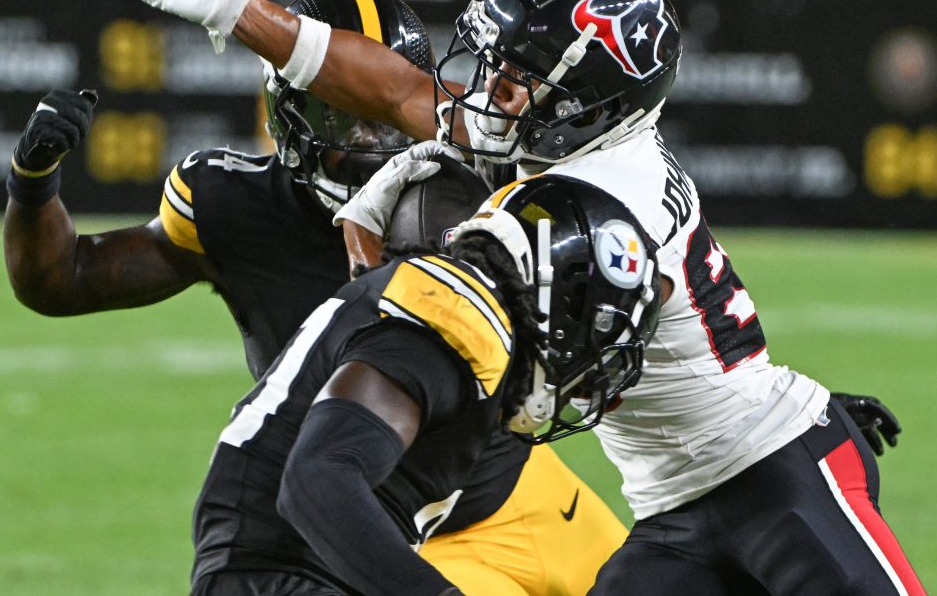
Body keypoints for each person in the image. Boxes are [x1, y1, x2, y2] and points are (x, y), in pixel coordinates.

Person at [132, 0, 921, 594]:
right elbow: (402, 94)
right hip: (669, 502)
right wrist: (244, 11)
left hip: (773, 468)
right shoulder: (573, 141)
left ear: (587, 97)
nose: (491, 89)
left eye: (516, 75)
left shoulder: (601, 200)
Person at [4, 0, 630, 596]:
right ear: (290, 113)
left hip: (512, 486)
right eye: (340, 116)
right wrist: (32, 184)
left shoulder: (474, 173)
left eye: (380, 116)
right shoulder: (233, 206)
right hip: (368, 530)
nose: (370, 143)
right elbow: (64, 281)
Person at [190, 174, 661, 596]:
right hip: (280, 576)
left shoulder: (462, 311)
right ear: (551, 294)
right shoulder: (461, 314)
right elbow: (320, 477)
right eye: (591, 329)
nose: (588, 360)